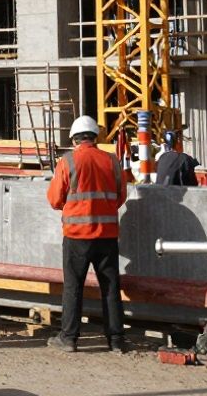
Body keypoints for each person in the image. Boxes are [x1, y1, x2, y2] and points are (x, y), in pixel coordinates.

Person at [46, 115, 129, 354]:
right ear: (95, 137)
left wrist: (72, 207)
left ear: (74, 139)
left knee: (73, 286)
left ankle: (69, 338)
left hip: (76, 236)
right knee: (110, 286)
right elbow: (120, 196)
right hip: (107, 235)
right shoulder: (112, 161)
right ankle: (116, 340)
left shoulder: (68, 161)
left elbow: (54, 199)